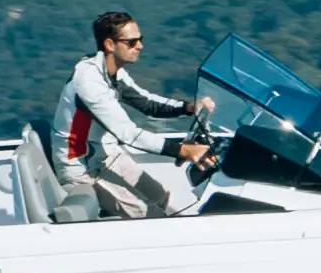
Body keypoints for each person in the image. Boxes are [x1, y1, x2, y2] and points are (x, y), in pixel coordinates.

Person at [51, 11, 217, 219]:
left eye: (140, 39)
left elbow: (148, 104)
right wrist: (182, 150)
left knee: (163, 198)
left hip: (106, 156)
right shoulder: (89, 82)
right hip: (82, 168)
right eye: (131, 42)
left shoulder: (112, 73)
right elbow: (128, 134)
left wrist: (189, 107)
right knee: (147, 214)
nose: (140, 46)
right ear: (110, 45)